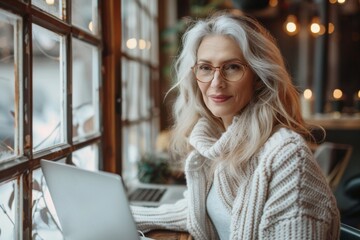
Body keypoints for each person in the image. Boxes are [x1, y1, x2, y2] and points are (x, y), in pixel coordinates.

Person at [131, 11, 340, 240]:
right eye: (205, 67)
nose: (216, 82)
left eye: (232, 67)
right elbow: (197, 212)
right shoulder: (218, 144)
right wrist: (122, 215)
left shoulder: (288, 157)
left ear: (259, 77)